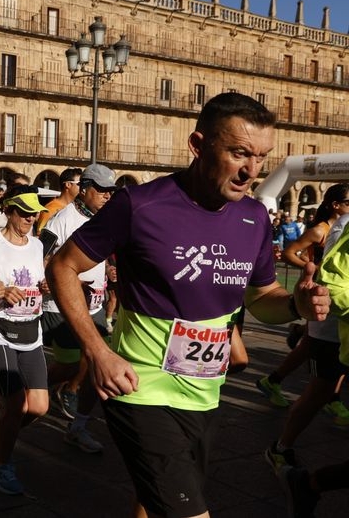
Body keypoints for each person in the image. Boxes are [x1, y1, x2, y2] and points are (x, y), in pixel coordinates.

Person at [46, 92, 330, 518]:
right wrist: (97, 349)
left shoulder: (253, 219)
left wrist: (296, 306)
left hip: (203, 394)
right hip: (138, 388)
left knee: (153, 501)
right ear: (198, 145)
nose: (251, 171)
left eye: (261, 158)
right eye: (239, 153)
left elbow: (263, 299)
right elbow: (63, 267)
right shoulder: (140, 204)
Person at [265, 208, 349, 479]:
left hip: (333, 327)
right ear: (337, 204)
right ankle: (282, 447)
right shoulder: (337, 227)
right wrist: (305, 294)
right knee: (318, 392)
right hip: (328, 327)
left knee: (325, 387)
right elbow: (329, 282)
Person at [40, 163, 118, 453]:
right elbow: (42, 254)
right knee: (77, 364)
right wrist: (50, 278)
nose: (107, 196)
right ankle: (30, 389)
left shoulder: (103, 218)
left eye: (111, 191)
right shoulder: (62, 219)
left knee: (95, 364)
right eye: (102, 191)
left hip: (94, 303)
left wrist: (109, 269)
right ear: (84, 189)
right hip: (63, 304)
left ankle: (78, 424)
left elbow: (102, 255)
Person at [257, 183, 349, 417]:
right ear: (335, 205)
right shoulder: (320, 229)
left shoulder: (340, 226)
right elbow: (289, 252)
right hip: (318, 293)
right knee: (319, 347)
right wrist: (314, 270)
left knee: (315, 346)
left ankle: (277, 378)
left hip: (326, 297)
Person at [0, 185, 50, 495]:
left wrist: (46, 287)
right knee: (16, 403)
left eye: (34, 213)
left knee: (38, 406)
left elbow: (37, 279)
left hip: (30, 330)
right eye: (24, 212)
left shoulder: (36, 246)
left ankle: (0, 435)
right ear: (7, 211)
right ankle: (2, 466)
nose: (30, 218)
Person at [34, 167, 82, 235]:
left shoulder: (79, 208)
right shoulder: (49, 210)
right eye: (80, 184)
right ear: (68, 184)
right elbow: (42, 237)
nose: (83, 188)